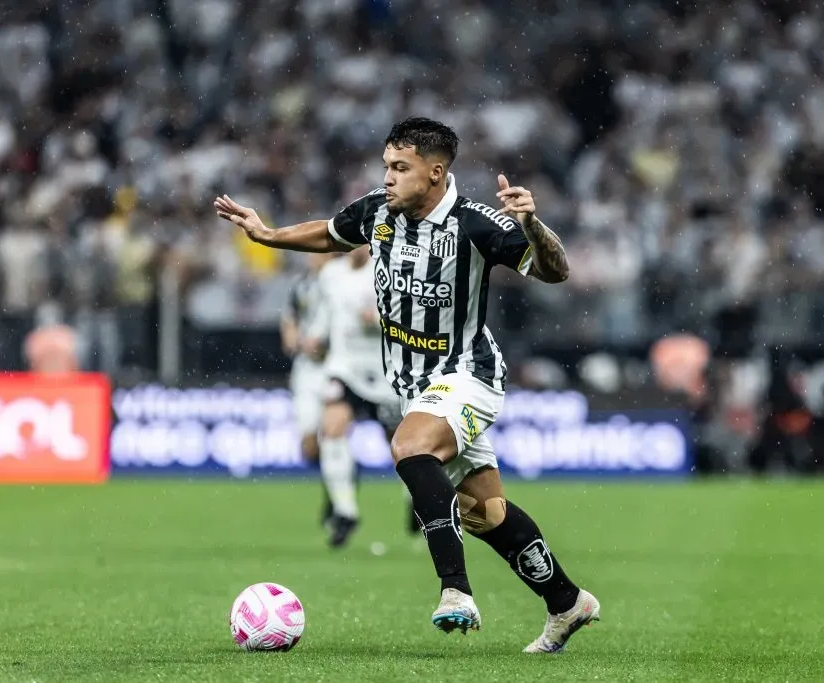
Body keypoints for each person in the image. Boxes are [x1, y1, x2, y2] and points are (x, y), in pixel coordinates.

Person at [214, 116, 599, 654]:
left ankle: (455, 590)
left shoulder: (476, 224)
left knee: (410, 446)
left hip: (466, 374)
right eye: (386, 166)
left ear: (435, 172)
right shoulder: (378, 210)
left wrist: (533, 225)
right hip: (413, 387)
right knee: (485, 513)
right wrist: (270, 234)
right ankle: (567, 601)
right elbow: (330, 233)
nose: (388, 177)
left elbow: (554, 270)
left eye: (400, 167)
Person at [309, 245, 411, 548]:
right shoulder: (330, 273)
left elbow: (410, 316)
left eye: (360, 240)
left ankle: (414, 497)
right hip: (344, 368)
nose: (354, 246)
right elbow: (327, 311)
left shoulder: (390, 270)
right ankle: (345, 510)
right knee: (331, 429)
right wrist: (316, 335)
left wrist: (379, 319)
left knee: (402, 445)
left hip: (384, 372)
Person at [280, 252, 336, 525]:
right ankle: (336, 479)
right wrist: (292, 339)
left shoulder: (341, 282)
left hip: (336, 367)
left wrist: (326, 343)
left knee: (332, 435)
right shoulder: (300, 284)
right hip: (306, 369)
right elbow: (289, 318)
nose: (313, 257)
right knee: (309, 445)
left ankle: (338, 498)